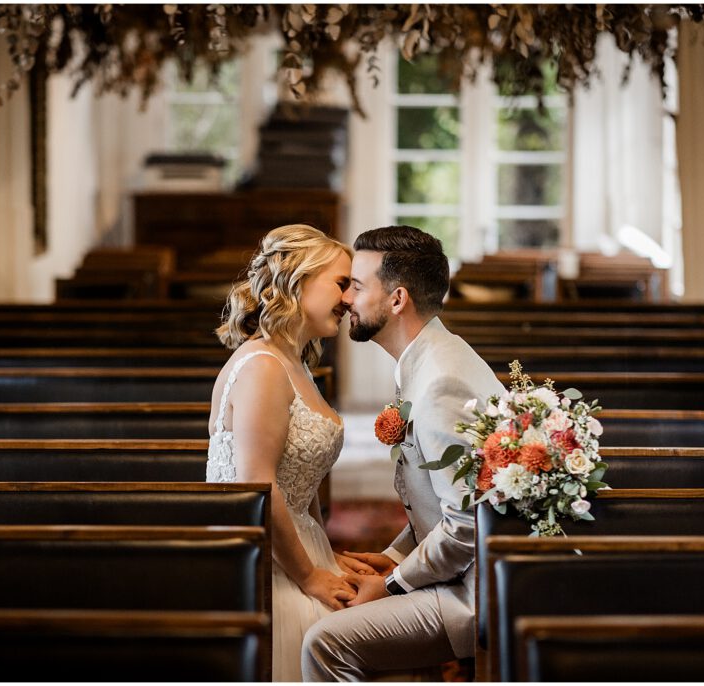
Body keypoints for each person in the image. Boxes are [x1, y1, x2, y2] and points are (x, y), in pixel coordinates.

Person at [301, 225, 506, 681]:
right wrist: (395, 555)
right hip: (467, 568)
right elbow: (443, 503)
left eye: (356, 285)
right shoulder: (429, 357)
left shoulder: (439, 385)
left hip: (479, 590)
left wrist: (392, 583)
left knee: (324, 642)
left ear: (396, 300)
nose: (346, 299)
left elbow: (466, 525)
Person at [206, 224, 372, 682]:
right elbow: (257, 484)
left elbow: (301, 480)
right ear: (298, 280)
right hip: (267, 561)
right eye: (343, 283)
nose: (351, 299)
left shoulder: (295, 361)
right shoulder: (262, 367)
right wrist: (309, 576)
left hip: (295, 544)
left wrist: (327, 556)